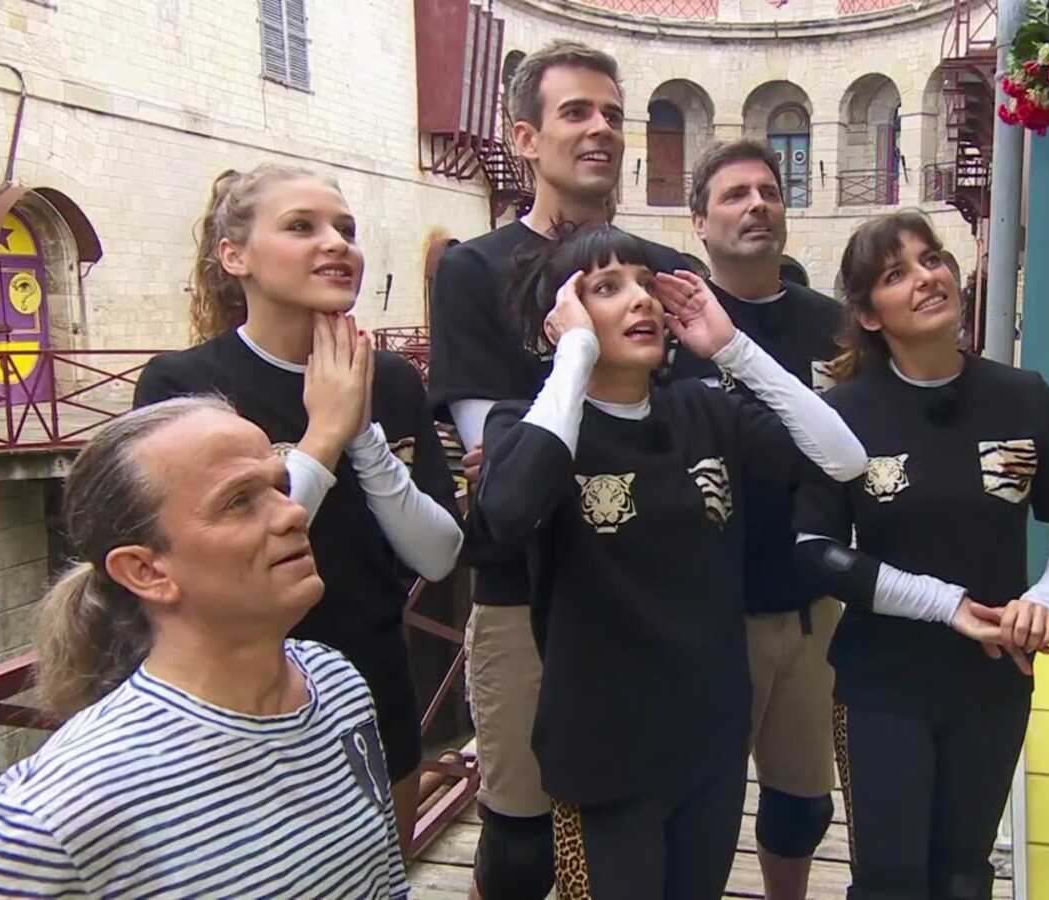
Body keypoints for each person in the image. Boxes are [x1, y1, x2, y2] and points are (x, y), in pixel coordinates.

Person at [470, 224, 868, 899]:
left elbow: (843, 459)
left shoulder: (705, 413)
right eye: (607, 287)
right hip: (600, 755)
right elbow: (508, 513)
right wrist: (572, 357)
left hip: (707, 745)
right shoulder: (528, 424)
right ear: (562, 320)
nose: (641, 301)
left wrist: (734, 349)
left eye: (646, 285)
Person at [0, 398, 409, 898]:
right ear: (146, 571)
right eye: (238, 501)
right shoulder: (58, 809)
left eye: (279, 485)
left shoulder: (335, 682)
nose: (293, 512)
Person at [135, 163, 463, 854]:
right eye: (301, 227)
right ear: (235, 255)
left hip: (374, 685)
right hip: (235, 697)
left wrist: (364, 431)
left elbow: (437, 554)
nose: (336, 243)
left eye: (345, 228)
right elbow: (222, 560)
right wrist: (323, 435)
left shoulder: (393, 379)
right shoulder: (183, 384)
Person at [427, 41, 683, 900]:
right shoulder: (472, 269)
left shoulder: (656, 267)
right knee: (521, 835)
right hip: (520, 592)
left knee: (635, 824)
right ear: (525, 137)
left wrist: (533, 442)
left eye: (613, 114)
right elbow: (497, 475)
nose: (601, 129)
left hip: (636, 586)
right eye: (577, 112)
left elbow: (674, 424)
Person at [792, 211, 1049, 900]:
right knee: (892, 879)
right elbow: (813, 553)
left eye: (932, 259)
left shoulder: (1023, 396)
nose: (926, 278)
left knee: (964, 877)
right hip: (882, 684)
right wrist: (946, 606)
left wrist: (1043, 602)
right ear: (870, 315)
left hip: (991, 683)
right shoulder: (843, 413)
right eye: (896, 274)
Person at [671, 139, 845, 900]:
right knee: (699, 803)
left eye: (769, 191)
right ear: (699, 222)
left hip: (809, 603)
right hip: (703, 613)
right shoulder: (666, 324)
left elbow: (850, 454)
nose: (756, 205)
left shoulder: (833, 327)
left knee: (801, 803)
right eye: (735, 194)